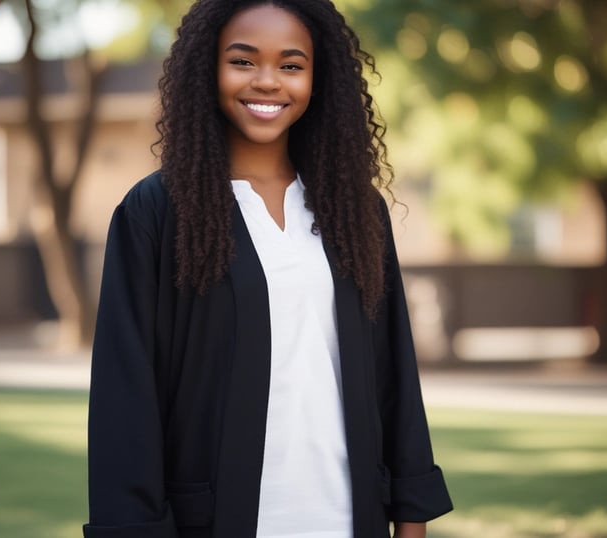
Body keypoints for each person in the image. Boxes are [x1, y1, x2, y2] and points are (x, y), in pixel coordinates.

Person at [83, 1, 452, 537]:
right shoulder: (158, 212)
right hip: (216, 522)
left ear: (317, 79)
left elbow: (393, 376)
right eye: (242, 61)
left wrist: (411, 520)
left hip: (349, 520)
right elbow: (126, 400)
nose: (267, 82)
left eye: (291, 65)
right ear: (206, 69)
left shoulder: (354, 210)